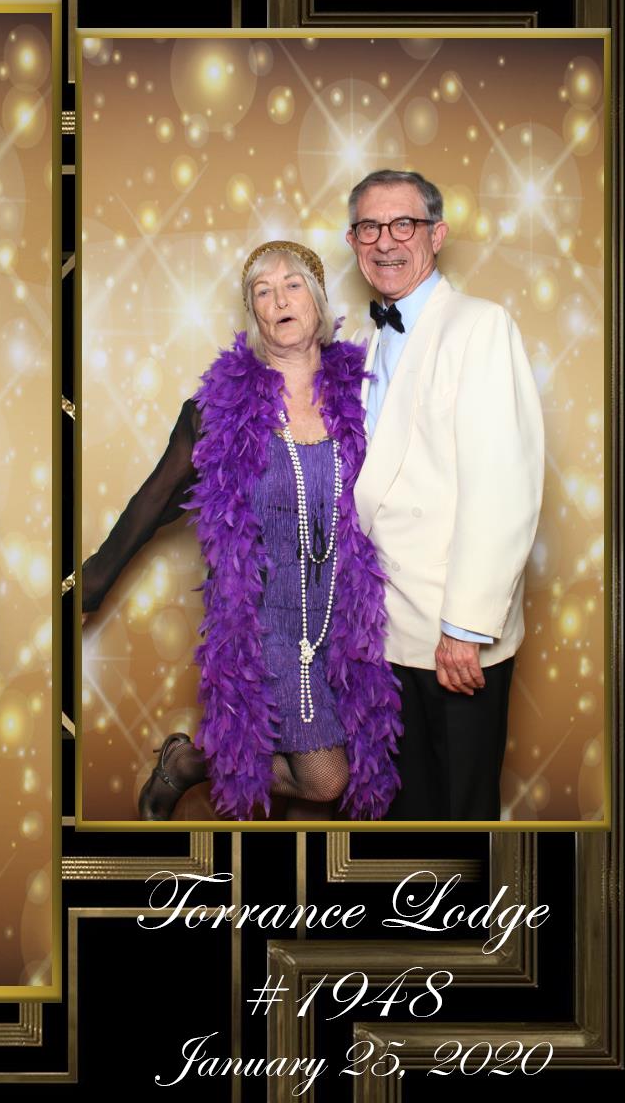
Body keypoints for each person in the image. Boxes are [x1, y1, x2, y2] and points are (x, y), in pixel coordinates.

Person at [81, 240, 402, 821]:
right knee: (327, 780)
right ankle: (192, 764)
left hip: (343, 626)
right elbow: (153, 503)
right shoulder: (217, 410)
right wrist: (89, 584)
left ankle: (191, 762)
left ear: (318, 299)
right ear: (253, 312)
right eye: (263, 291)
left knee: (354, 775)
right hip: (262, 626)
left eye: (293, 285)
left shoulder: (365, 395)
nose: (279, 300)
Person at [346, 169, 544, 820]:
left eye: (403, 224)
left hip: (452, 634)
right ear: (352, 241)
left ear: (437, 234)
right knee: (404, 813)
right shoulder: (362, 342)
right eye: (369, 227)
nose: (385, 241)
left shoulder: (480, 325)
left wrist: (465, 628)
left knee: (461, 815)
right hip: (382, 634)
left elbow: (504, 485)